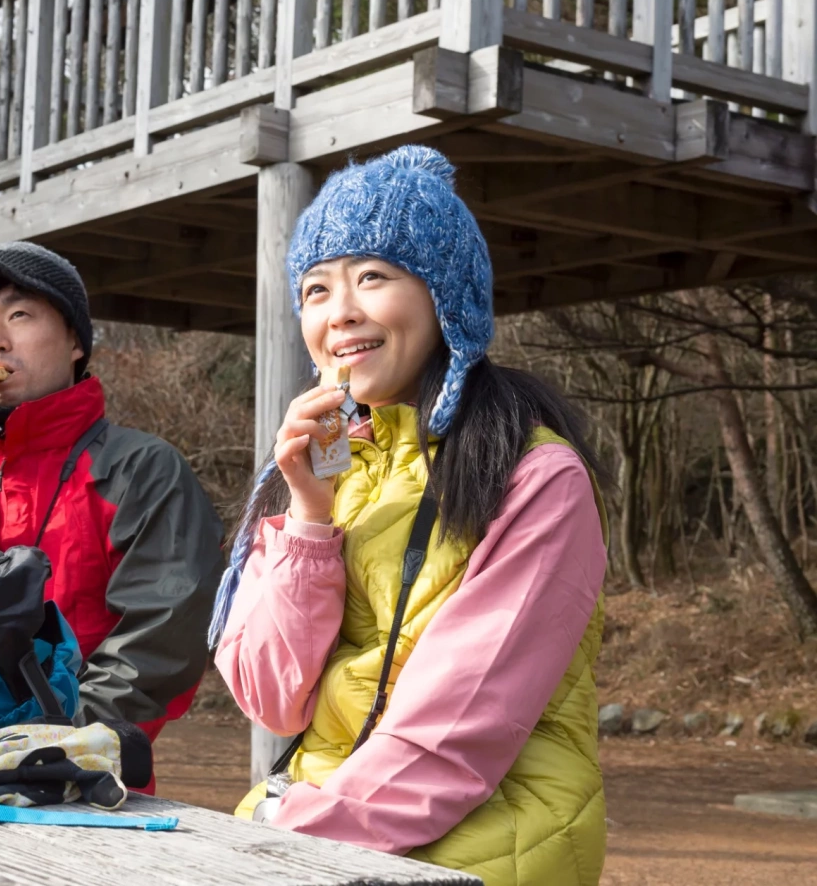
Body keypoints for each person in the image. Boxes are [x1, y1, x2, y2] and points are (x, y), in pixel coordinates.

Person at [209, 146, 610, 885]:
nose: (340, 313)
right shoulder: (325, 467)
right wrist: (307, 517)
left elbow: (459, 731)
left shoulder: (535, 474)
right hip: (318, 818)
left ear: (443, 297)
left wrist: (285, 830)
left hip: (496, 832)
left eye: (372, 278)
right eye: (316, 289)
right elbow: (271, 698)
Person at [0, 241, 224, 767]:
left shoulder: (140, 469)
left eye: (19, 315)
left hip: (81, 780)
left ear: (75, 340)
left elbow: (160, 642)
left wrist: (60, 747)